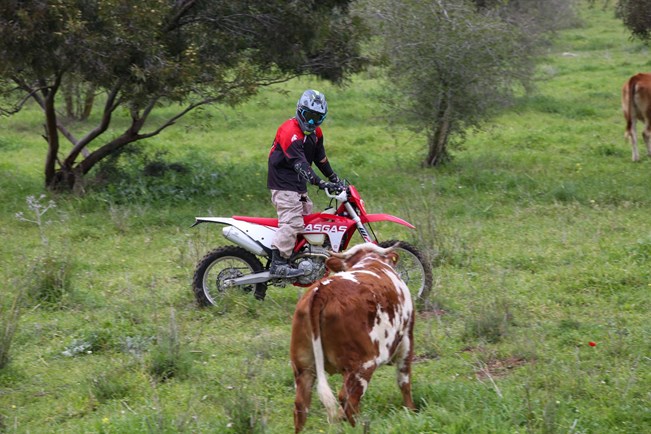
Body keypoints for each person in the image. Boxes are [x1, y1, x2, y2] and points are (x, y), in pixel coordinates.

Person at [266, 89, 343, 280]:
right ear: (299, 111)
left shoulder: (316, 133)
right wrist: (321, 183)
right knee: (292, 221)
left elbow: (320, 159)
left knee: (308, 222)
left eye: (316, 118)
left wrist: (335, 179)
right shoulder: (289, 132)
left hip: (298, 185)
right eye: (308, 115)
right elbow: (300, 164)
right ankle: (278, 263)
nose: (311, 122)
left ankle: (296, 257)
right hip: (283, 185)